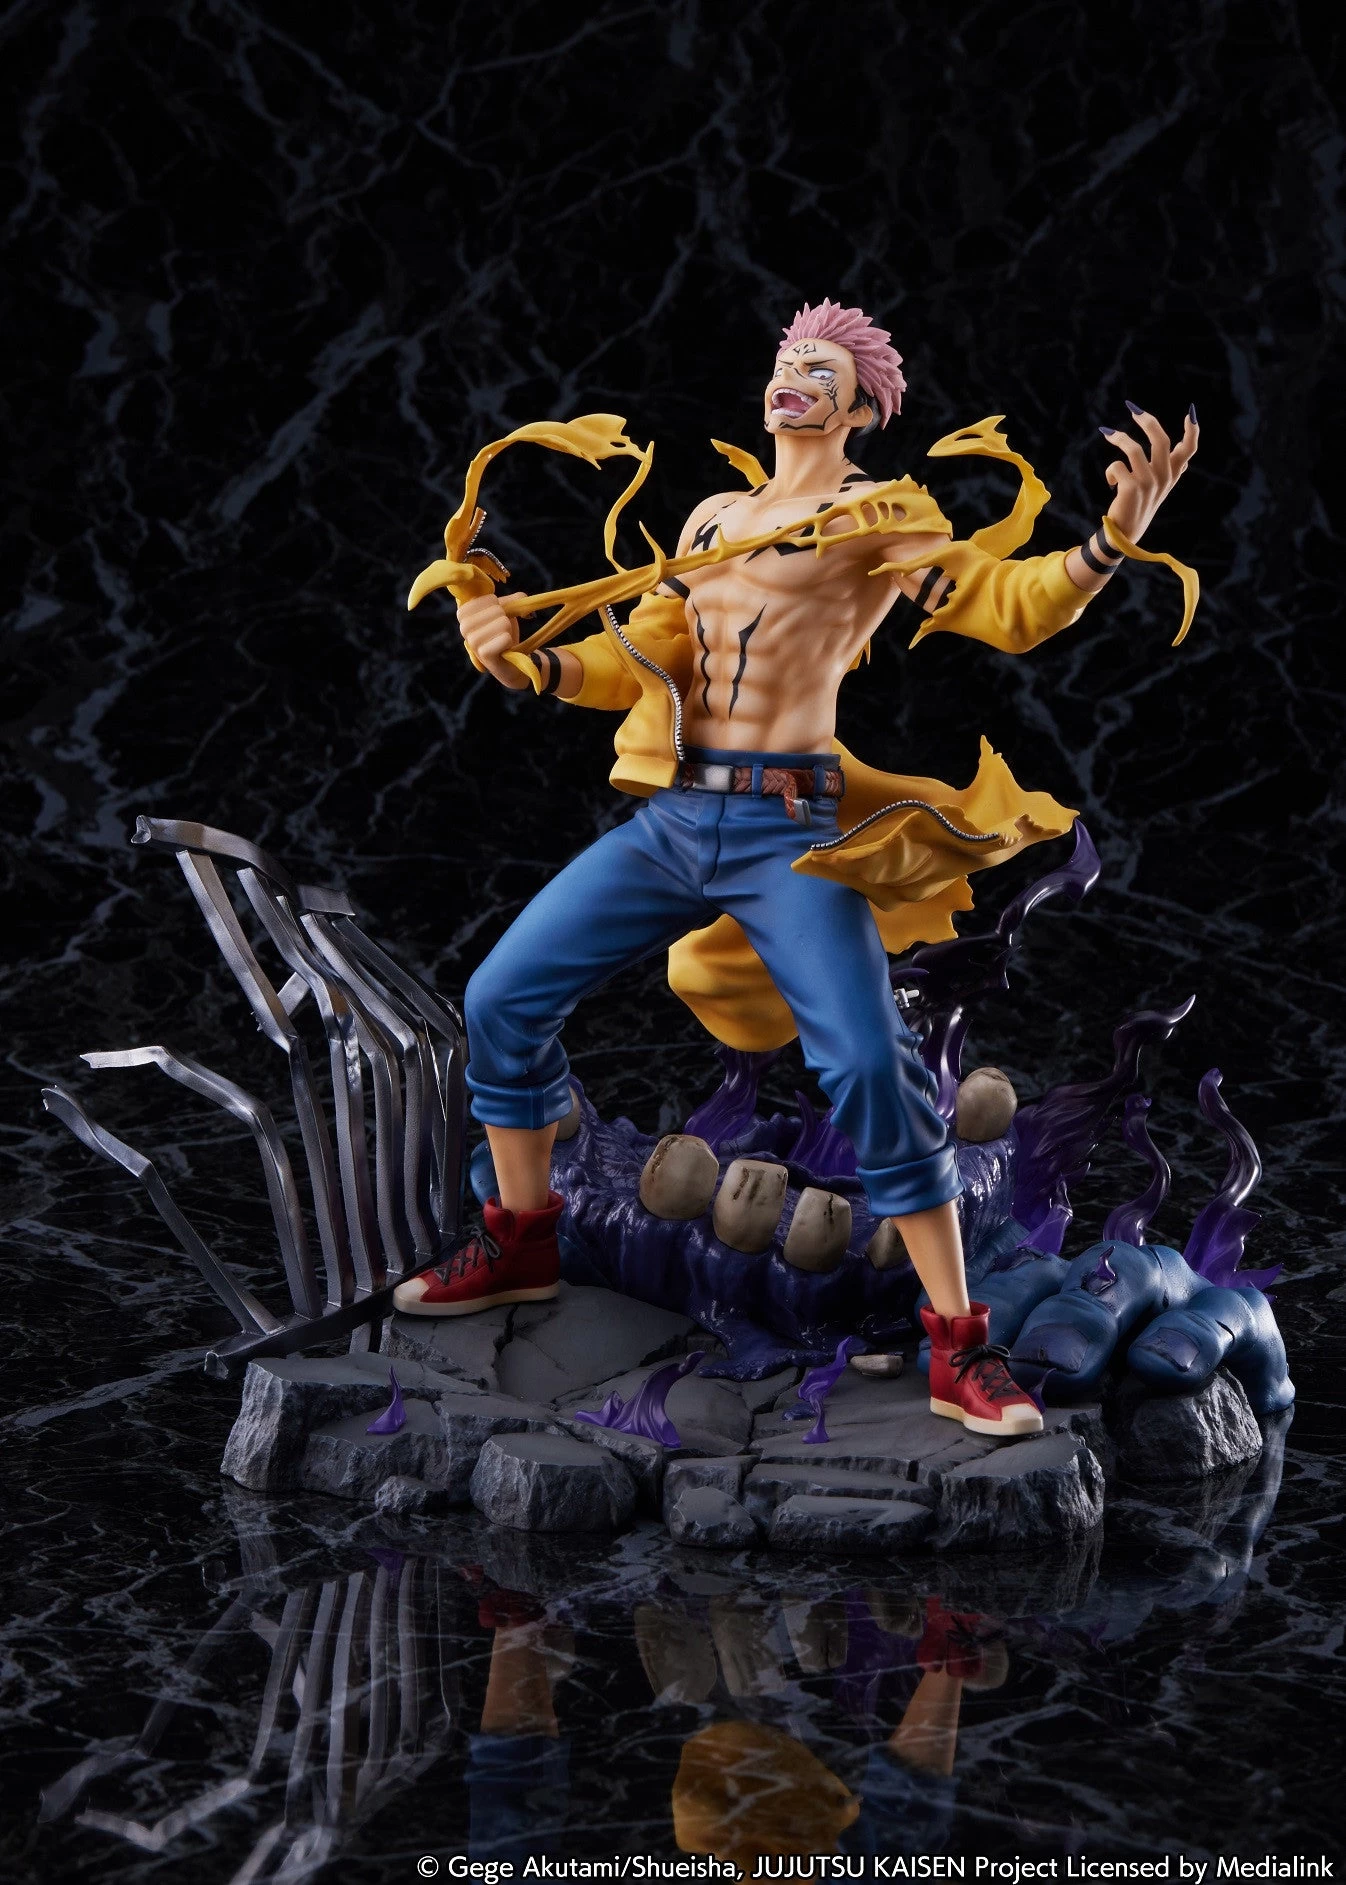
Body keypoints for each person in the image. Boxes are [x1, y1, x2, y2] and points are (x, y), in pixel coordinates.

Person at [394, 300, 1198, 1438]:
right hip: (677, 821)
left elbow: (1003, 607)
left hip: (788, 832)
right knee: (501, 998)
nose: (794, 378)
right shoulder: (714, 517)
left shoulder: (879, 514)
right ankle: (521, 1242)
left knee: (870, 1066)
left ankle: (957, 1343)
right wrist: (533, 665)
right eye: (786, 359)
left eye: (822, 370)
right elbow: (650, 657)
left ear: (860, 409)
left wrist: (1106, 543)